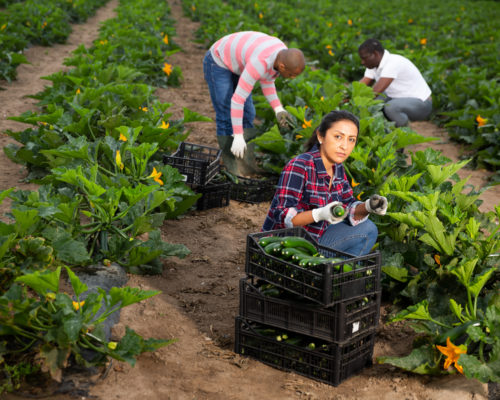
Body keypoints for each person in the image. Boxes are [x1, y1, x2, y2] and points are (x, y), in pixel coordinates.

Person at [262, 110, 387, 256]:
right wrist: (319, 214)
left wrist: (369, 206)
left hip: (316, 236)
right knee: (368, 230)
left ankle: (337, 273)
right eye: (338, 137)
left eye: (351, 139)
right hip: (287, 245)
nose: (344, 146)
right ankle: (334, 273)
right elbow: (283, 218)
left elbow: (347, 204)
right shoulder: (299, 165)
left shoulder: (337, 168)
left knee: (368, 226)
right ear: (321, 136)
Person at [203, 31, 305, 175]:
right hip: (218, 59)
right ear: (282, 66)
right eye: (292, 74)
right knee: (225, 110)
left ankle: (246, 163)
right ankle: (232, 166)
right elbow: (237, 100)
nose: (293, 78)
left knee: (249, 112)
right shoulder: (260, 63)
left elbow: (267, 81)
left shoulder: (281, 54)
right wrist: (238, 135)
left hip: (240, 60)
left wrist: (278, 109)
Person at [357, 38, 432, 127]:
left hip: (421, 104)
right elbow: (361, 85)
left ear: (376, 54)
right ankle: (382, 127)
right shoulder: (373, 65)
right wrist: (347, 96)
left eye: (364, 58)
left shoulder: (393, 63)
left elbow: (375, 92)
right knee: (375, 102)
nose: (362, 62)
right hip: (398, 98)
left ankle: (403, 131)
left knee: (391, 107)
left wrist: (354, 101)